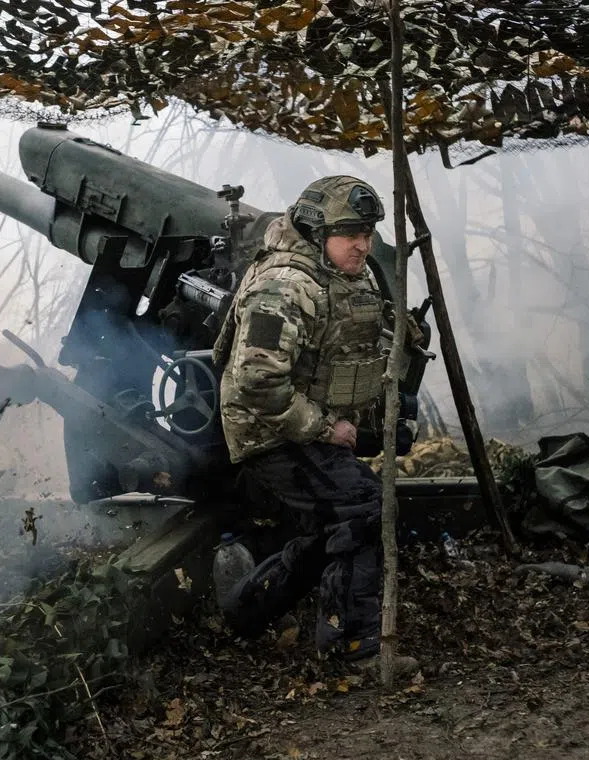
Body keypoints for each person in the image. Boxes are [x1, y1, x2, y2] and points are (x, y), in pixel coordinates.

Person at [212, 175, 419, 674]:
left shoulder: (348, 272)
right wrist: (327, 429)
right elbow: (255, 384)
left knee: (331, 526)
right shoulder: (285, 286)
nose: (363, 244)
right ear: (316, 230)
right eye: (351, 233)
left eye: (367, 233)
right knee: (365, 507)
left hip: (305, 422)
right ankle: (354, 646)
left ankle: (246, 609)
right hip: (270, 431)